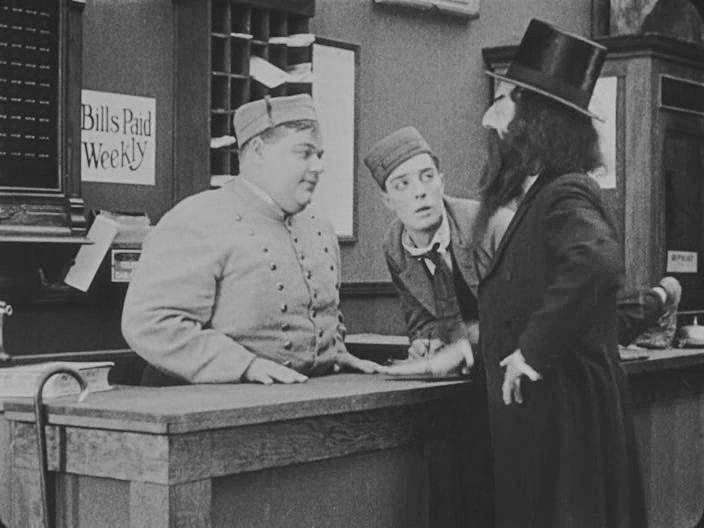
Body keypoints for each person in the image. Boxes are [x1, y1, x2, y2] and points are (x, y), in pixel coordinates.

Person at [387, 19, 648, 527]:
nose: (490, 118)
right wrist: (468, 349)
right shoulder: (543, 193)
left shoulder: (565, 192)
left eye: (504, 102)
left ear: (538, 119)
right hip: (550, 417)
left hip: (566, 420)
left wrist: (532, 351)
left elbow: (597, 261)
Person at [367, 126, 680, 369]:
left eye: (427, 177)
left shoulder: (492, 225)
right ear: (386, 200)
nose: (419, 192)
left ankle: (663, 296)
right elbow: (420, 320)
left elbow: (533, 314)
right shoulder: (395, 246)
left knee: (598, 330)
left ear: (442, 181)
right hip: (484, 346)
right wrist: (426, 343)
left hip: (550, 312)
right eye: (402, 184)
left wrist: (467, 344)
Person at [122, 94, 380, 385]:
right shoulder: (196, 219)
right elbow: (150, 322)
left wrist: (334, 354)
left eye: (319, 155)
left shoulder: (319, 225)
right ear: (258, 151)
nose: (318, 166)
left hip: (309, 396)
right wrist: (244, 366)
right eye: (304, 153)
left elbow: (322, 315)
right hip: (213, 403)